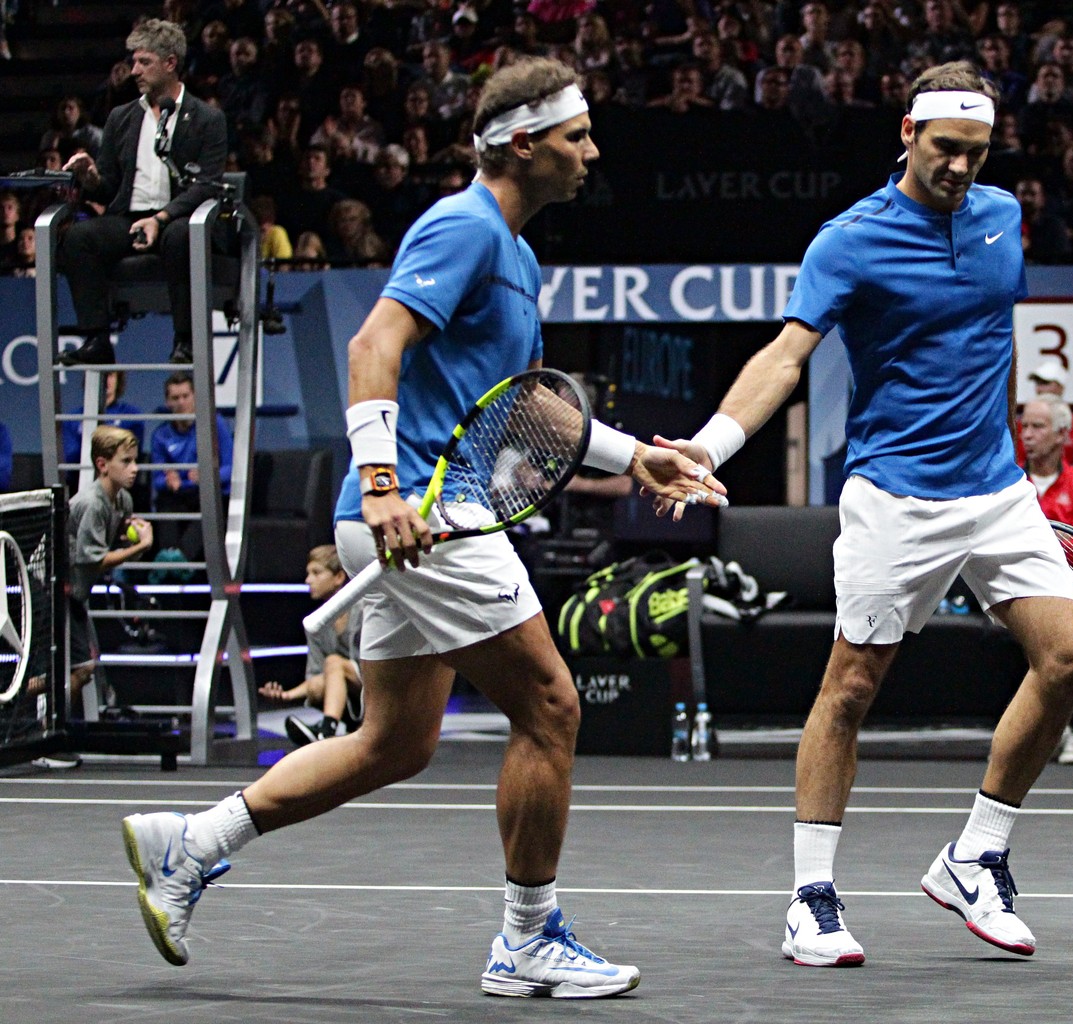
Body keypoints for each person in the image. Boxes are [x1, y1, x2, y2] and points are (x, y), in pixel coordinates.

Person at [119, 56, 724, 996]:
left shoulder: (515, 255)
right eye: (577, 136)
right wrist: (378, 484)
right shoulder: (463, 227)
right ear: (523, 144)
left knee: (395, 744)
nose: (592, 151)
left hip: (424, 516)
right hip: (427, 513)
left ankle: (192, 843)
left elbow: (524, 409)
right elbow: (374, 344)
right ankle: (528, 940)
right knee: (552, 706)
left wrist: (630, 455)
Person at [658, 61, 1073, 966]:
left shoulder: (1004, 219)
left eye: (976, 153)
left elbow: (991, 342)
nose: (961, 169)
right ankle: (810, 899)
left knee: (1071, 660)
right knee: (850, 691)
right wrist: (710, 445)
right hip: (895, 497)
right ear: (906, 132)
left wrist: (1013, 457)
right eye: (945, 149)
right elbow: (787, 355)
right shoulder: (849, 240)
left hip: (996, 489)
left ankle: (976, 855)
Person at [57, 20, 229, 366]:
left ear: (170, 63)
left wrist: (160, 218)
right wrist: (91, 178)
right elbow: (107, 188)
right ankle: (96, 338)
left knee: (182, 237)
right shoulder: (121, 117)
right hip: (128, 218)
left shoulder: (207, 119)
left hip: (180, 219)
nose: (134, 71)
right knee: (78, 238)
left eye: (144, 62)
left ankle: (185, 340)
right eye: (133, 61)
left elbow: (207, 184)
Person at [1017, 394, 1073, 766]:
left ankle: (1071, 733)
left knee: (1069, 637)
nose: (1027, 435)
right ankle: (1037, 732)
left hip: (1070, 590)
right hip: (1015, 588)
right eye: (1024, 426)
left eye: (1038, 427)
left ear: (1062, 435)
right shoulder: (1010, 481)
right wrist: (1057, 538)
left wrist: (1033, 539)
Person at [69, 427, 154, 719]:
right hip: (50, 591)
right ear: (103, 465)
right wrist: (142, 545)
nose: (135, 468)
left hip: (73, 595)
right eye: (126, 462)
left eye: (135, 460)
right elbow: (95, 561)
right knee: (80, 669)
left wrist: (132, 540)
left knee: (81, 668)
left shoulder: (122, 501)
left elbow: (114, 543)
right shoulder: (92, 503)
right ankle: (33, 728)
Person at [258, 545, 363, 746]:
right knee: (317, 683)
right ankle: (330, 727)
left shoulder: (364, 609)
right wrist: (287, 695)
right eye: (308, 574)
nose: (308, 581)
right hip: (350, 693)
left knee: (333, 662)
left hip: (375, 684)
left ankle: (326, 731)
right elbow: (317, 677)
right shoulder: (316, 624)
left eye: (316, 573)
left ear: (339, 577)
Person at [149, 370, 231, 560]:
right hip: (177, 495)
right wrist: (168, 480)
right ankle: (167, 557)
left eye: (186, 396)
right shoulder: (160, 435)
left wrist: (208, 476)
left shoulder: (214, 424)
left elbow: (231, 469)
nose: (181, 403)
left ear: (195, 397)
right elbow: (158, 479)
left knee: (210, 502)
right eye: (175, 398)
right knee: (164, 502)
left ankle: (181, 559)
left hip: (208, 492)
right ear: (168, 402)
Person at [61, 369, 146, 471]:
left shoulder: (132, 416)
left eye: (110, 375)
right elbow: (71, 457)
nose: (105, 380)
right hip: (79, 480)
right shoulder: (73, 419)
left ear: (118, 380)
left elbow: (131, 454)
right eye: (101, 375)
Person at [1020, 360, 1073, 469]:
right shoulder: (1021, 425)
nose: (1039, 389)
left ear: (1060, 387)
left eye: (1045, 383)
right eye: (1037, 384)